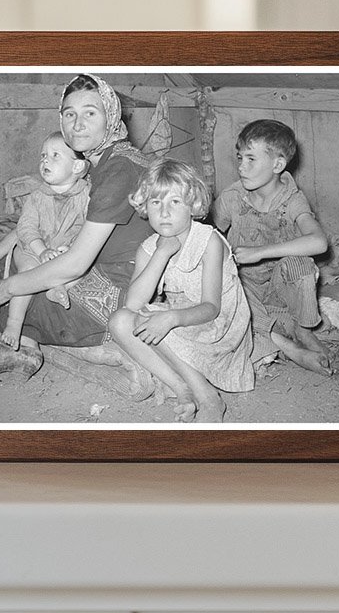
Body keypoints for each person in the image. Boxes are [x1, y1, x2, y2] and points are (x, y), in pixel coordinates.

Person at [0, 73, 152, 373]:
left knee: (18, 283)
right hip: (101, 275)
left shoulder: (117, 170)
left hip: (115, 295)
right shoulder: (102, 163)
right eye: (70, 114)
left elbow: (75, 265)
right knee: (21, 256)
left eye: (90, 113)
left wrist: (7, 288)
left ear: (110, 117)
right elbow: (32, 228)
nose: (78, 124)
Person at [108, 159, 254, 423]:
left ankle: (208, 398)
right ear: (145, 206)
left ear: (193, 206)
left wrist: (171, 318)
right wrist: (161, 253)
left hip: (218, 327)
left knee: (150, 321)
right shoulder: (149, 248)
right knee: (119, 321)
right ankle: (181, 387)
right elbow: (133, 304)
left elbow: (212, 308)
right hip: (182, 322)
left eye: (175, 202)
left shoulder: (208, 240)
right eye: (156, 202)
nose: (164, 212)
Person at [213, 119, 332, 376]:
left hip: (280, 289)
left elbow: (319, 242)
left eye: (251, 159)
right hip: (244, 287)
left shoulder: (292, 200)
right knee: (228, 291)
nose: (241, 167)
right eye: (240, 158)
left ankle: (304, 330)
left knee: (301, 264)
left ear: (278, 165)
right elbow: (211, 236)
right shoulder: (232, 198)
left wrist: (259, 252)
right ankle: (291, 348)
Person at [1, 132, 90, 351]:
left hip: (63, 251)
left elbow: (90, 227)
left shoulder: (86, 196)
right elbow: (26, 227)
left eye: (55, 155)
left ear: (77, 167)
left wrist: (70, 247)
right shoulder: (37, 196)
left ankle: (57, 287)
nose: (45, 161)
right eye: (43, 156)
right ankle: (14, 323)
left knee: (81, 268)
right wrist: (40, 250)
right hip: (31, 248)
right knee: (29, 272)